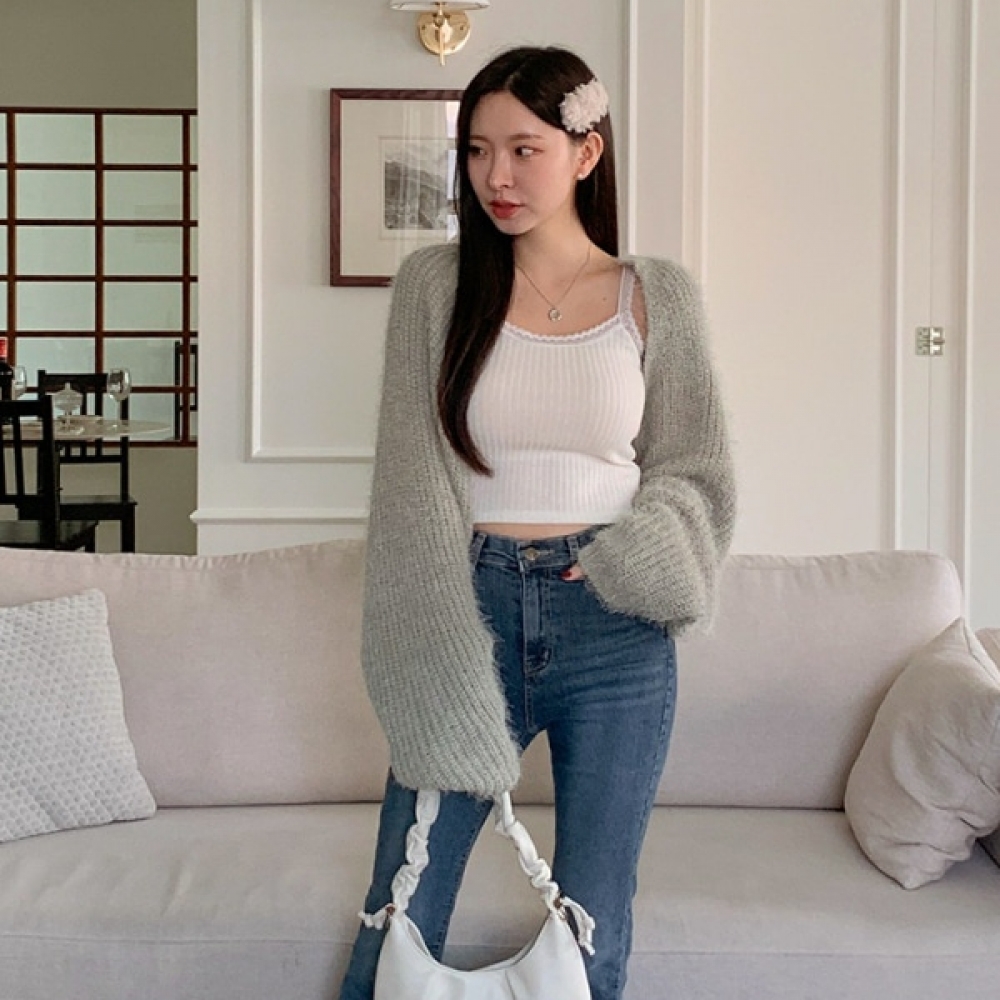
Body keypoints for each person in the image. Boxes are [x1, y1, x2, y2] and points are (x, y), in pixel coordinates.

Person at [339, 45, 736, 1000]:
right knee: (404, 897)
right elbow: (410, 482)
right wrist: (435, 624)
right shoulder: (435, 288)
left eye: (524, 149)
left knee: (593, 915)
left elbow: (696, 469)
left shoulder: (655, 295)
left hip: (615, 627)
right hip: (465, 611)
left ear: (586, 153)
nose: (497, 177)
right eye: (478, 151)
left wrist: (624, 559)